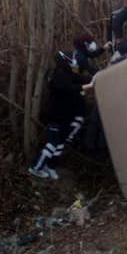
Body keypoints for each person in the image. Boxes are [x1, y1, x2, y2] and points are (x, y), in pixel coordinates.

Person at [29, 50, 91, 179]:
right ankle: (36, 167)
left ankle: (50, 166)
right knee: (53, 143)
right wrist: (85, 87)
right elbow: (68, 88)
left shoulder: (68, 73)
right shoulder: (57, 75)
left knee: (60, 143)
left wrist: (94, 78)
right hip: (55, 116)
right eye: (72, 59)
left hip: (66, 116)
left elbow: (79, 78)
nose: (74, 61)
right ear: (66, 60)